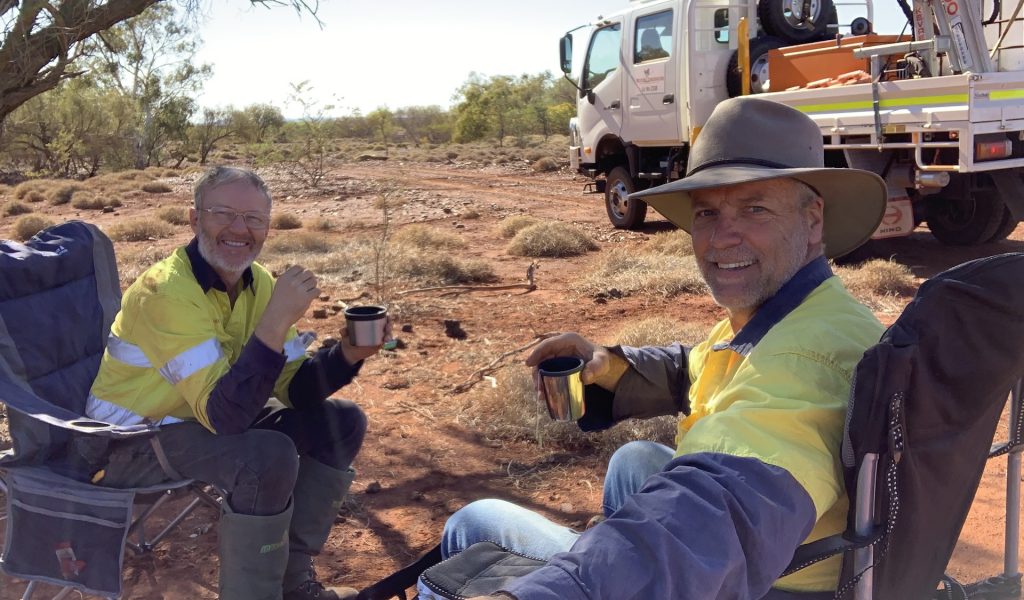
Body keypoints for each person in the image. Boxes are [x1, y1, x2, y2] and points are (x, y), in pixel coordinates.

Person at [443, 97, 889, 599]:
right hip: (798, 558)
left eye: (754, 208)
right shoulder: (800, 313)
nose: (721, 239)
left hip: (761, 583)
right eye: (707, 214)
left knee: (472, 524)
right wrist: (609, 365)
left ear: (812, 220)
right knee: (636, 459)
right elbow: (698, 368)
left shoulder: (803, 357)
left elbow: (718, 507)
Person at [81, 166, 383, 600]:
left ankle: (293, 582)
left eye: (254, 219)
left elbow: (292, 390)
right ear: (194, 219)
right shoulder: (166, 292)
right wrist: (278, 319)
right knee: (265, 456)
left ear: (266, 227)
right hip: (127, 442)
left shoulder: (256, 282)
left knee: (343, 421)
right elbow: (226, 417)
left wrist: (349, 355)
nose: (239, 229)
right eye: (223, 214)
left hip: (196, 418)